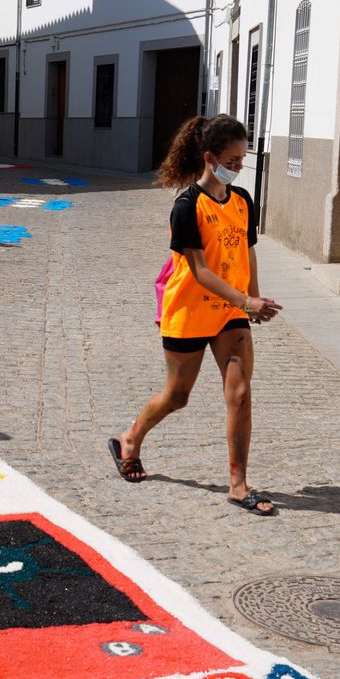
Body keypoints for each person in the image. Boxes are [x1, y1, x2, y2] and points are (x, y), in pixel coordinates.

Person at [108, 114, 283, 515]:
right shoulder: (187, 206)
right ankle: (129, 439)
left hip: (230, 315)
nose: (239, 168)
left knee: (239, 394)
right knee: (177, 396)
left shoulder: (242, 202)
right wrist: (246, 301)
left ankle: (239, 485)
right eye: (233, 160)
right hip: (188, 311)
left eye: (243, 160)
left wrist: (252, 300)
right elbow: (200, 272)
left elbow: (247, 251)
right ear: (209, 157)